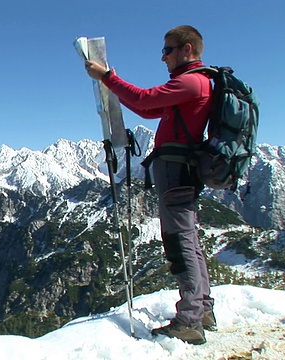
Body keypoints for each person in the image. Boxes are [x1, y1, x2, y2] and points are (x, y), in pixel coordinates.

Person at [84, 25, 216, 345]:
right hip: (181, 170)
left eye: (167, 50)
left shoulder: (190, 82)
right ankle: (203, 308)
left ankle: (190, 319)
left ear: (187, 49)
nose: (163, 58)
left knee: (180, 243)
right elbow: (146, 108)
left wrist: (106, 77)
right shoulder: (192, 85)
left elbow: (145, 99)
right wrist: (112, 82)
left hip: (176, 171)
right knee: (189, 240)